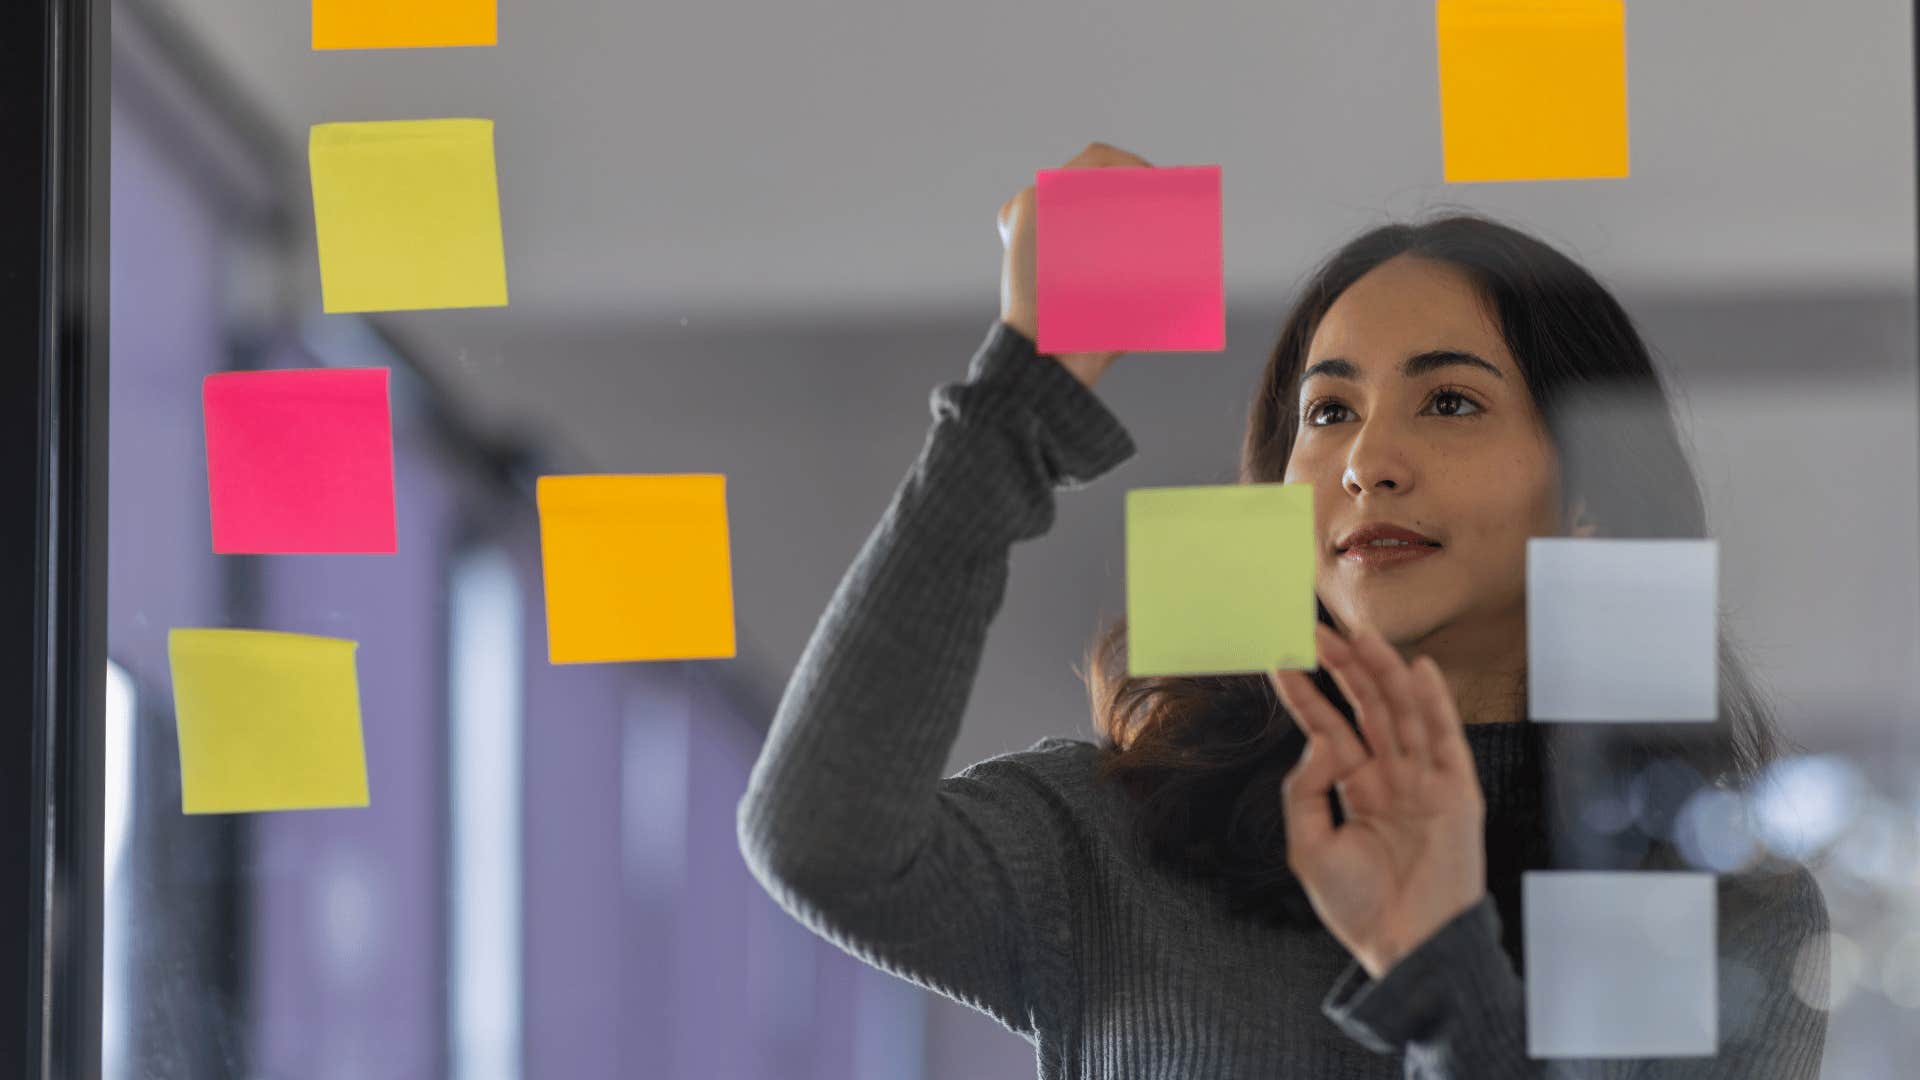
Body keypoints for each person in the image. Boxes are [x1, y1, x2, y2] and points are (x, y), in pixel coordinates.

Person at [738, 142, 1830, 1078]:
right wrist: (1020, 395)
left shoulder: (1720, 913)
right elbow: (821, 844)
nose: (1366, 460)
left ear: (1587, 490)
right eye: (1328, 410)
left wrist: (1443, 968)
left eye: (1449, 401)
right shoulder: (1117, 838)